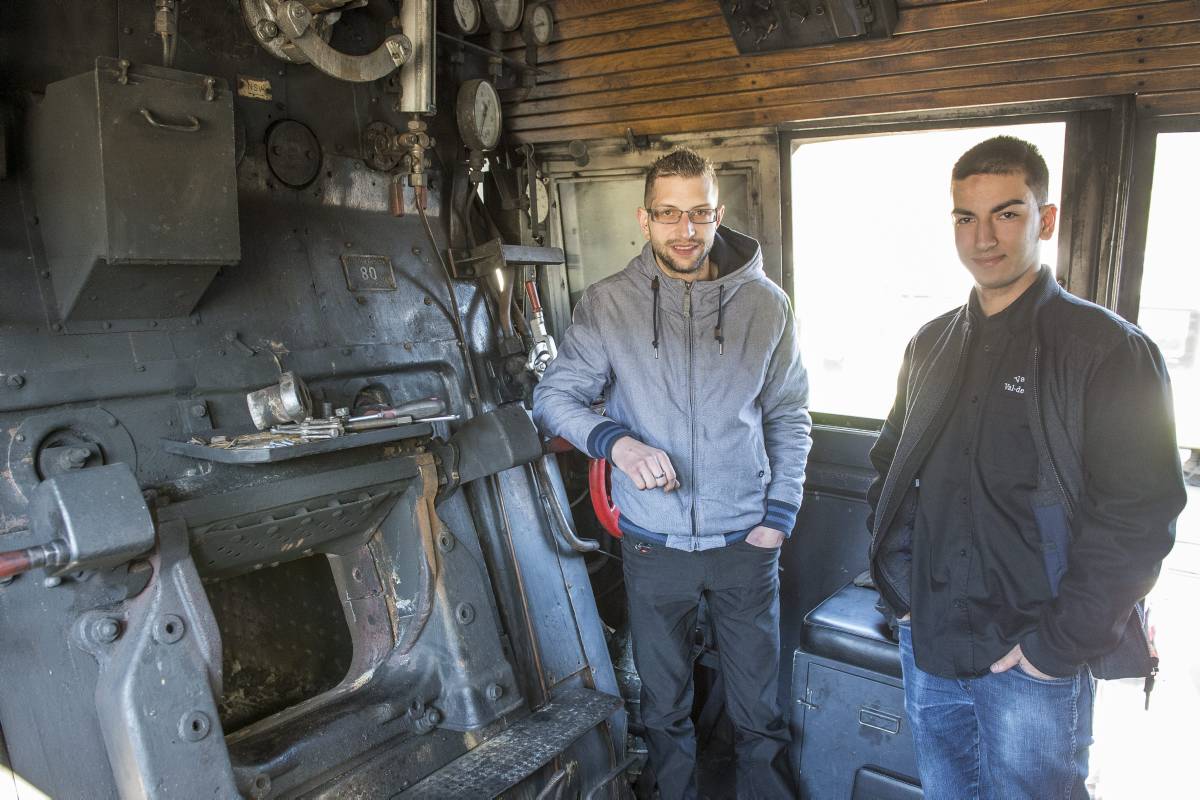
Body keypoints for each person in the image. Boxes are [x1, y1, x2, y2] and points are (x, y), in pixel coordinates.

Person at [867, 135, 1186, 799]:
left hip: (1031, 657)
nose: (983, 238)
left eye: (1006, 214)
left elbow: (1141, 517)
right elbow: (890, 468)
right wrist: (900, 593)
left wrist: (1054, 648)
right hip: (930, 642)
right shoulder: (929, 345)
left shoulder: (1108, 352)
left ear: (1045, 219)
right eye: (965, 217)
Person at [533, 148, 810, 799]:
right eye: (667, 215)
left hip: (747, 543)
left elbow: (790, 417)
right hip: (653, 545)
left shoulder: (766, 307)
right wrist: (616, 444)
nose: (684, 230)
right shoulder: (607, 305)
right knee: (663, 714)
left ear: (718, 214)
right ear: (645, 217)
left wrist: (778, 517)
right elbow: (554, 398)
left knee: (760, 718)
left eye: (698, 214)